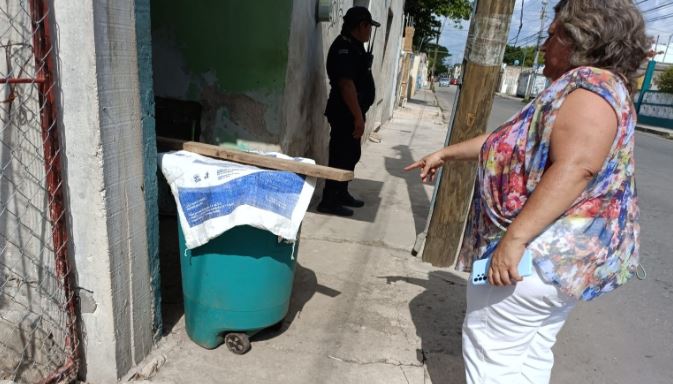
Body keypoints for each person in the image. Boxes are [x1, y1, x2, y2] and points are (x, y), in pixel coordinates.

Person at [405, 1, 650, 382]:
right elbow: (504, 141)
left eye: (552, 35)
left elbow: (576, 168)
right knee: (529, 354)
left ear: (576, 40)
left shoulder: (590, 91)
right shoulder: (589, 88)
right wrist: (446, 153)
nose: (543, 46)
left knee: (493, 356)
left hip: (538, 256)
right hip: (557, 264)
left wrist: (514, 240)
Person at [318, 6, 380, 217]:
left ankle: (341, 192)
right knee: (340, 156)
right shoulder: (343, 47)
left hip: (352, 113)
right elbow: (346, 85)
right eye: (369, 26)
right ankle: (329, 200)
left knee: (351, 154)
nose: (370, 31)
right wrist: (357, 117)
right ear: (361, 25)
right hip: (345, 113)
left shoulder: (355, 46)